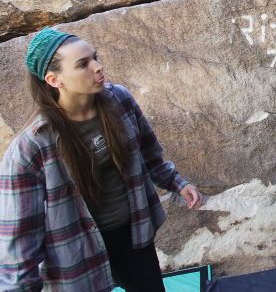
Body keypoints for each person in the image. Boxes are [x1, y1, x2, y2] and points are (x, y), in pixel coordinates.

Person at [0, 28, 203, 291]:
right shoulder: (30, 148)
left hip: (133, 235)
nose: (98, 67)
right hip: (76, 252)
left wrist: (176, 182)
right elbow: (19, 235)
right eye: (83, 64)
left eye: (94, 57)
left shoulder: (119, 100)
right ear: (53, 79)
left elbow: (149, 152)